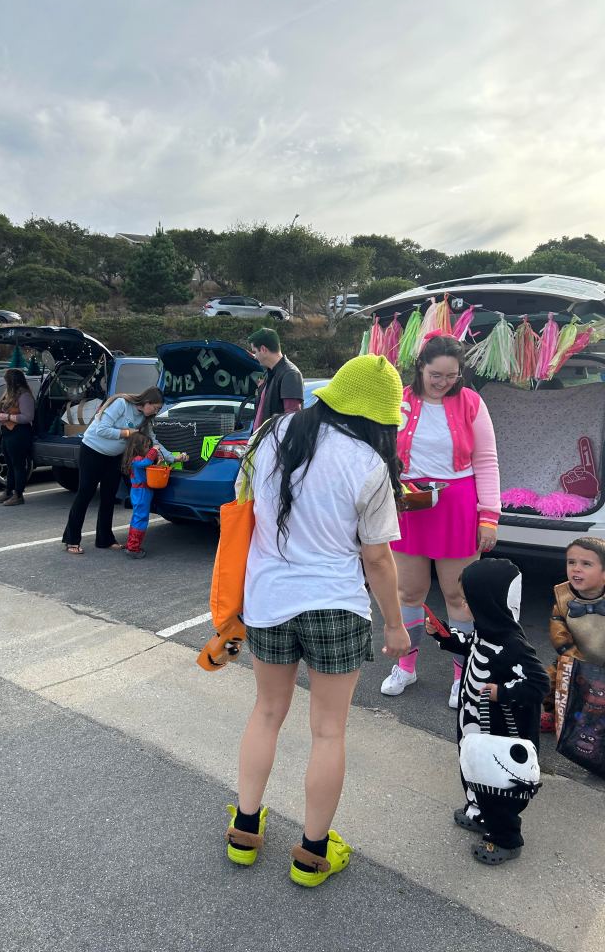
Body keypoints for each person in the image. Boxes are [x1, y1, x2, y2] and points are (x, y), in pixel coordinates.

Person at [226, 355, 410, 888]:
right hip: (335, 605)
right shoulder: (369, 465)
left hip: (268, 600)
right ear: (380, 417)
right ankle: (310, 854)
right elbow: (377, 559)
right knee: (328, 731)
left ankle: (244, 829)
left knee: (266, 713)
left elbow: (242, 507)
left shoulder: (272, 433)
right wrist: (395, 625)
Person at [381, 332, 501, 707]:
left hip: (458, 506)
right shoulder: (397, 399)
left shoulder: (471, 403)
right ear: (421, 367)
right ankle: (406, 665)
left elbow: (486, 460)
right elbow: (380, 451)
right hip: (409, 504)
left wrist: (489, 517)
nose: (444, 382)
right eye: (437, 374)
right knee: (408, 593)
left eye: (451, 375)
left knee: (459, 597)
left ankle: (461, 675)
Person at [425, 559, 549, 864]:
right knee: (473, 770)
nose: (464, 604)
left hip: (499, 730)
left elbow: (539, 684)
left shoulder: (512, 645)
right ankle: (479, 810)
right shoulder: (486, 632)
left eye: (469, 600)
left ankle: (506, 837)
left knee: (498, 782)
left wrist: (502, 692)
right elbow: (471, 646)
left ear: (488, 603)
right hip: (472, 721)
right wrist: (443, 636)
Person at [61, 386, 184, 555]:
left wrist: (172, 457)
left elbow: (153, 442)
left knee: (109, 496)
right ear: (147, 402)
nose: (154, 412)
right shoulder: (121, 404)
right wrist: (127, 432)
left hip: (114, 457)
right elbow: (101, 429)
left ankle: (105, 539)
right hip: (92, 451)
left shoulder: (145, 418)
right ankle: (71, 539)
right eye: (155, 408)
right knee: (85, 493)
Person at [543, 537, 605, 729]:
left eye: (586, 564)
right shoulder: (563, 598)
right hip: (573, 658)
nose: (576, 568)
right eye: (571, 562)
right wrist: (570, 653)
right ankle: (553, 713)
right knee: (550, 683)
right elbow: (557, 627)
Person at [0, 369, 35, 507]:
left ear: (13, 381)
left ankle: (18, 495)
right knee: (10, 465)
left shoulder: (24, 395)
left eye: (7, 380)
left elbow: (28, 417)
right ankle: (8, 491)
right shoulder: (10, 393)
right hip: (7, 432)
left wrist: (7, 417)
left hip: (19, 433)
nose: (6, 383)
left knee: (18, 465)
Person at [248, 327, 304, 431]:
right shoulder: (269, 373)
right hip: (265, 443)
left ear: (264, 349)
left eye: (255, 351)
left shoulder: (290, 374)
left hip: (277, 445)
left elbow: (292, 420)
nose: (255, 356)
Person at [122, 433, 163, 559]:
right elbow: (146, 462)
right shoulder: (138, 459)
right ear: (137, 447)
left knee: (137, 518)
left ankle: (130, 544)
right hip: (141, 492)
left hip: (140, 492)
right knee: (141, 519)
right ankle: (133, 548)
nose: (148, 449)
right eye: (146, 446)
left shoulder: (135, 460)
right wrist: (154, 450)